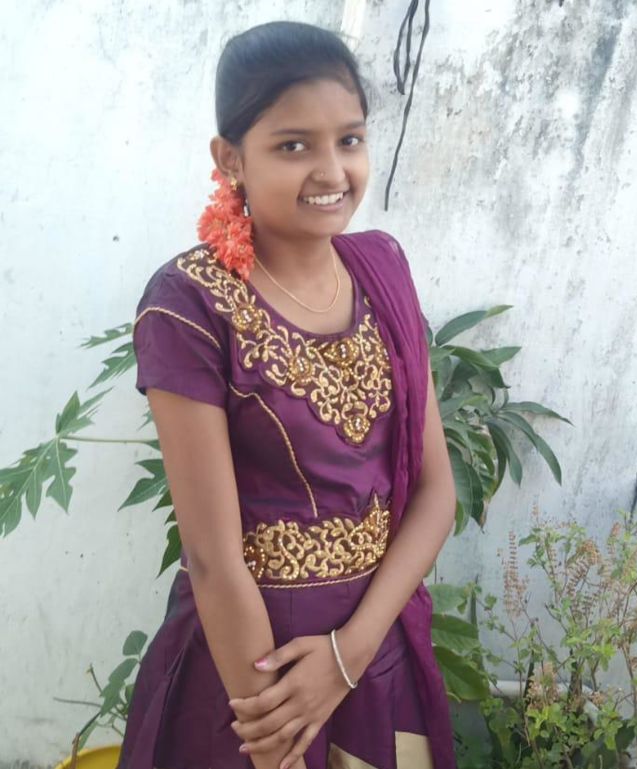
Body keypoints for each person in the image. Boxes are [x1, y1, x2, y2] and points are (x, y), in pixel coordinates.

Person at [117, 19, 458, 769]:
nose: (332, 170)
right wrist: (274, 742)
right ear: (230, 159)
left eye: (350, 138)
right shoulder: (188, 304)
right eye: (294, 145)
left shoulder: (383, 270)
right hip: (248, 676)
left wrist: (348, 655)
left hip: (372, 654)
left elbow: (437, 491)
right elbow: (213, 559)